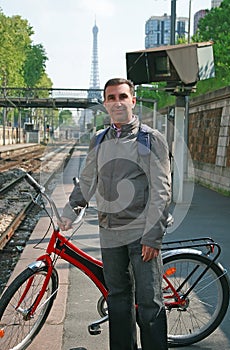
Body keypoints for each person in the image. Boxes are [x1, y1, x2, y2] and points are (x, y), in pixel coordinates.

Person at [59, 78, 172, 350]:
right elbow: (87, 180)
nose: (117, 102)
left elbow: (161, 189)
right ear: (106, 103)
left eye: (123, 96)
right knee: (118, 301)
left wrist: (153, 236)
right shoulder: (99, 139)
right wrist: (70, 211)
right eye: (111, 97)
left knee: (149, 304)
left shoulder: (150, 138)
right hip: (109, 232)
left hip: (142, 233)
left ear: (133, 101)